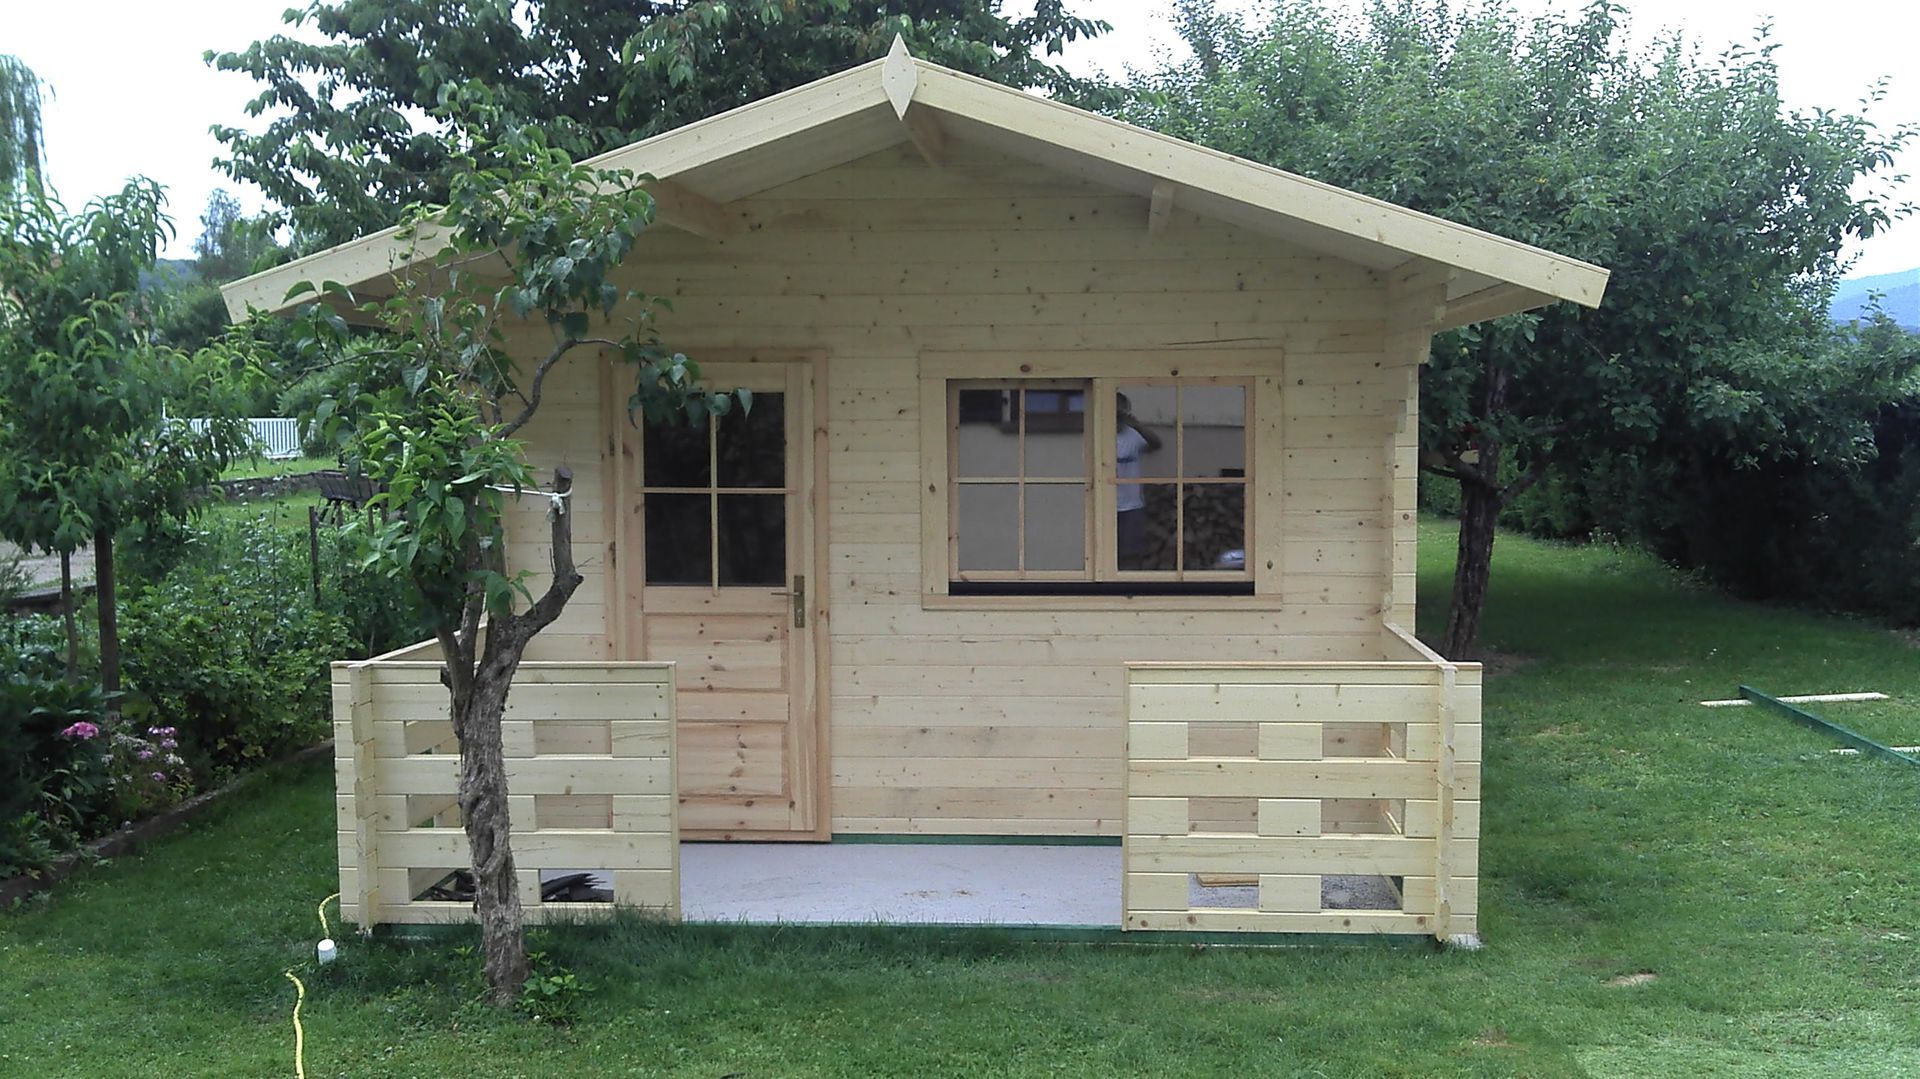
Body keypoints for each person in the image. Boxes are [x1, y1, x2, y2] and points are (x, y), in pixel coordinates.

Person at [1115, 392, 1164, 568]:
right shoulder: (1100, 434)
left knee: (1132, 551)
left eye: (1120, 411)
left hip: (1131, 504)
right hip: (1105, 504)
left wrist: (1137, 425)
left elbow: (1156, 444)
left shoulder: (1133, 435)